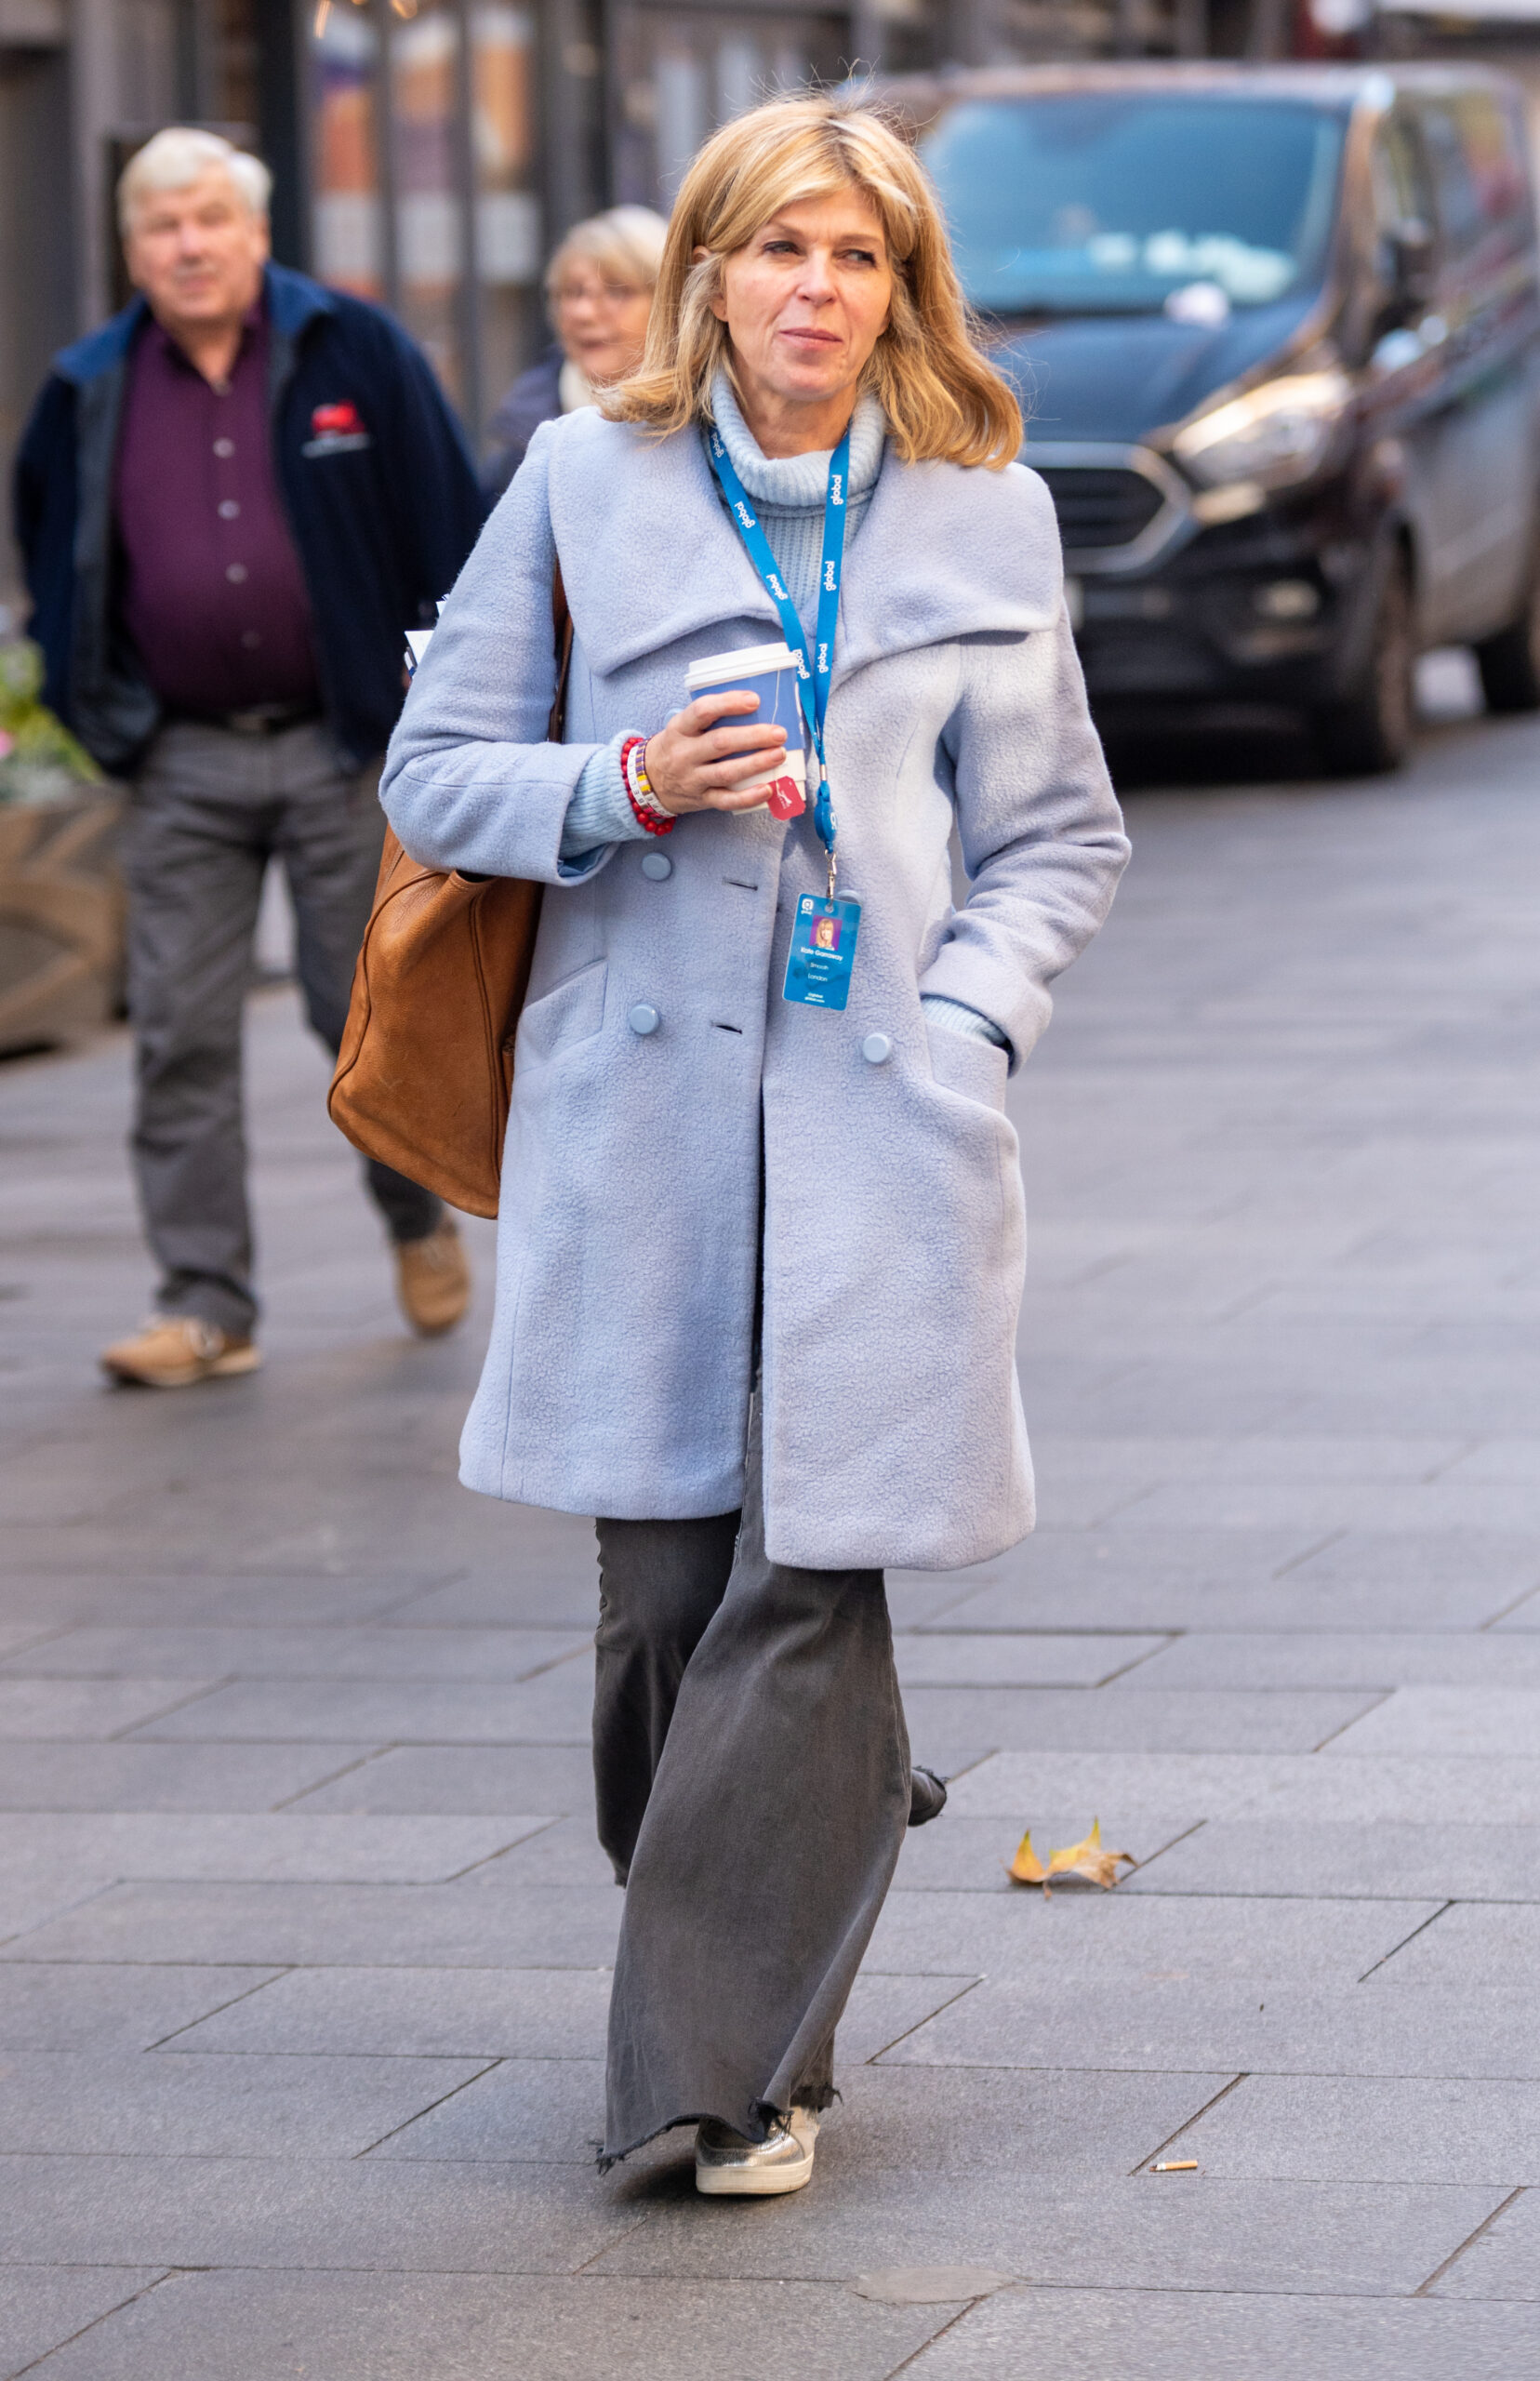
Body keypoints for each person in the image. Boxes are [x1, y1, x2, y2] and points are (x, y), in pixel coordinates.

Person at [381, 94, 1129, 2194]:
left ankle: (720, 2073)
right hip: (636, 1128)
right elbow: (433, 775)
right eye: (781, 249)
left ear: (902, 291)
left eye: (859, 258)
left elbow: (1058, 832)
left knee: (807, 1577)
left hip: (885, 1125)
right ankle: (807, 1829)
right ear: (708, 271)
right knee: (657, 1607)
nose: (818, 290)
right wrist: (618, 774)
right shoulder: (577, 483)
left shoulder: (988, 516)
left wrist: (969, 1018)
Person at [12, 127, 484, 1389]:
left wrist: (435, 715)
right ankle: (205, 1303)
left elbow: (451, 528)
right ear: (131, 249)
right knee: (177, 1034)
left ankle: (414, 1215)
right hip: (182, 762)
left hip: (346, 752)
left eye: (209, 217)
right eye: (162, 225)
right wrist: (102, 713)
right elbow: (53, 556)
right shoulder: (89, 385)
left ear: (257, 232)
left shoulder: (353, 350)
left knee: (363, 1016)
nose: (188, 243)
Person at [481, 206, 667, 500]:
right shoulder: (520, 446)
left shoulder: (712, 427)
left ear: (669, 304)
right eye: (572, 292)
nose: (582, 313)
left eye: (617, 291)